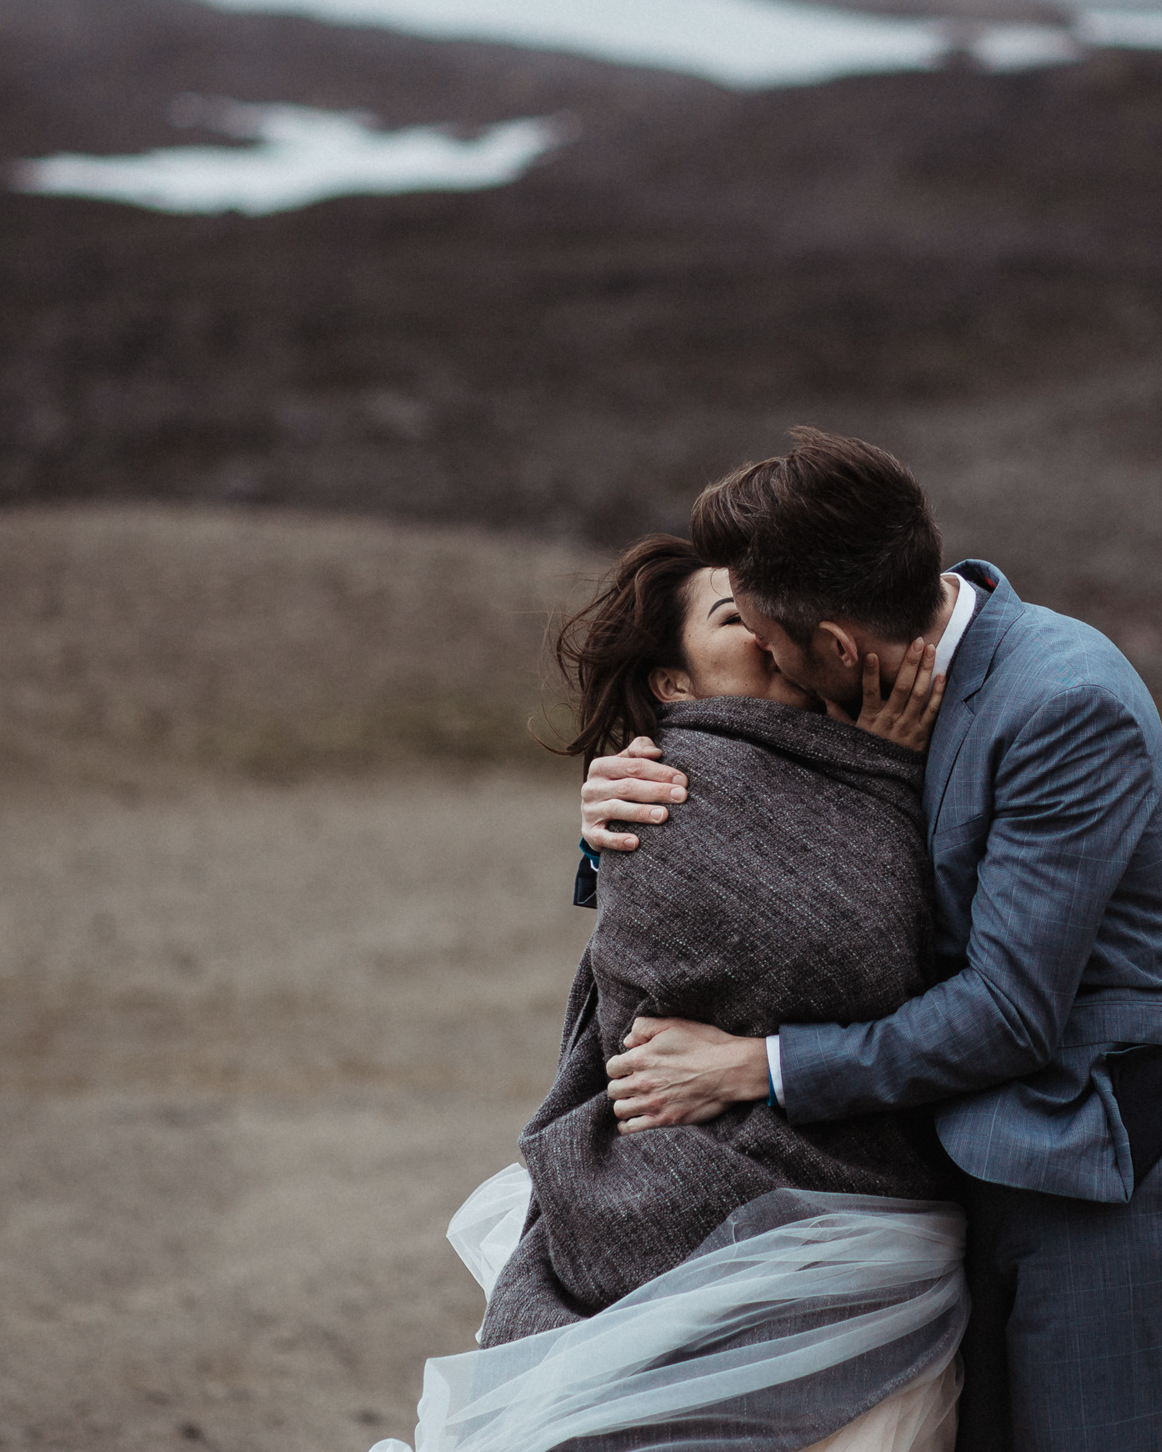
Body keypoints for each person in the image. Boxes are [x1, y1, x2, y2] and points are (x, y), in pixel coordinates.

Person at [591, 430, 1162, 1452]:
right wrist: (599, 828)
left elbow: (1012, 1010)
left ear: (834, 643)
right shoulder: (879, 699)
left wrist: (758, 1065)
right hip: (930, 1177)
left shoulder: (1061, 702)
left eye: (765, 632)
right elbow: (776, 847)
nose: (759, 651)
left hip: (1073, 1176)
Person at [374, 534, 971, 1452]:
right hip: (730, 1205)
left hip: (831, 1211)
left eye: (774, 606)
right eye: (735, 618)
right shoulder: (662, 791)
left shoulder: (874, 751)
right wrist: (878, 776)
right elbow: (855, 959)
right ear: (674, 684)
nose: (770, 630)